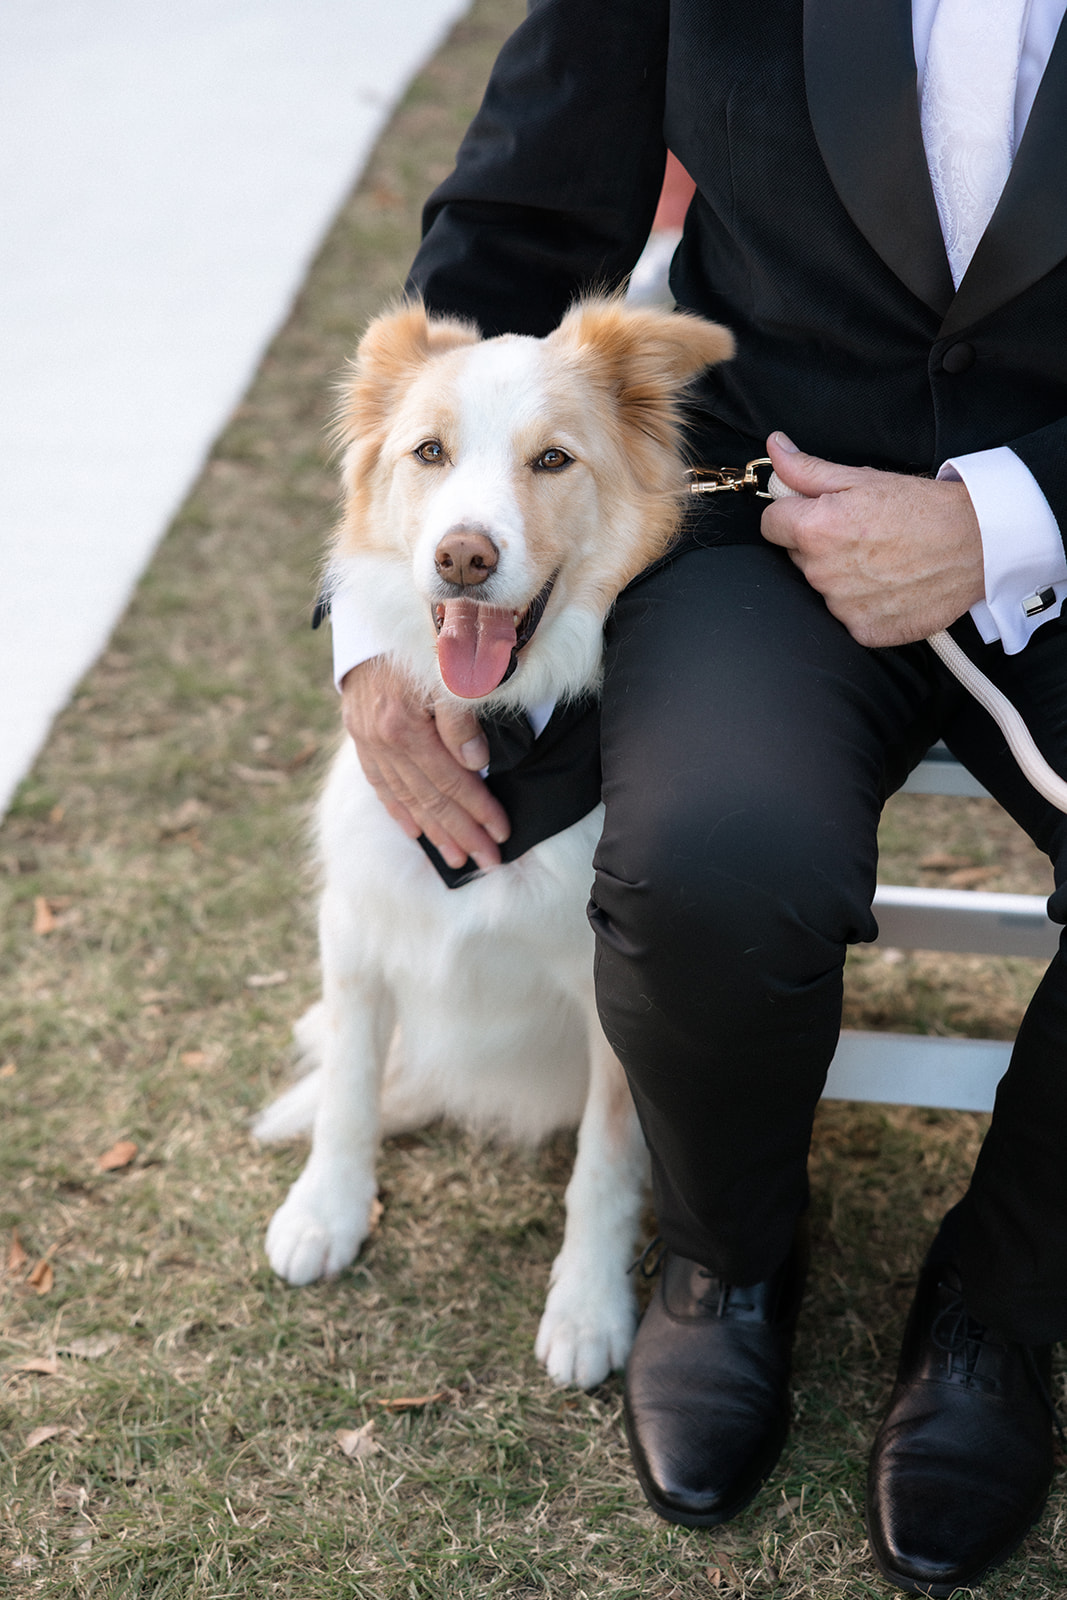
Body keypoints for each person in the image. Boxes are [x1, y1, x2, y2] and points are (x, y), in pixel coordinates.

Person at [333, 2, 1067, 1591]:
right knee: (712, 863)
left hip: (1065, 515)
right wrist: (377, 623)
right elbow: (517, 217)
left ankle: (1000, 1313)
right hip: (757, 510)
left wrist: (1002, 518)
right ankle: (725, 1265)